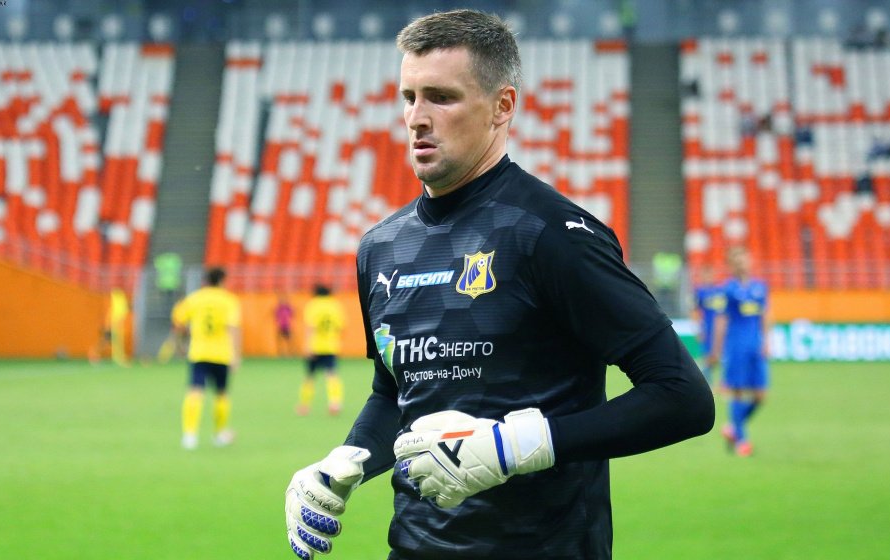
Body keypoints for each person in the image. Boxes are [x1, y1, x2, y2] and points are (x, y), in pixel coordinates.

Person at [284, 10, 714, 560]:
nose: (417, 118)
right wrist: (345, 461)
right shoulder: (381, 247)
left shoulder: (551, 234)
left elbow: (682, 398)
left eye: (441, 97)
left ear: (502, 107)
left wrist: (516, 448)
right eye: (409, 97)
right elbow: (394, 393)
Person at [709, 246, 770, 458]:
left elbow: (765, 314)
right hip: (736, 346)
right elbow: (721, 320)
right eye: (737, 261)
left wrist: (767, 341)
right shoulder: (727, 290)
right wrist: (716, 350)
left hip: (755, 346)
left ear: (750, 261)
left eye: (744, 259)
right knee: (736, 391)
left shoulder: (760, 287)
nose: (742, 264)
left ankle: (734, 427)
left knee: (761, 396)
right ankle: (742, 441)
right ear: (731, 265)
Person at [173, 267, 241, 450]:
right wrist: (236, 355)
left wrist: (181, 342)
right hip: (222, 354)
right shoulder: (228, 300)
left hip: (199, 352)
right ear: (222, 281)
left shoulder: (194, 298)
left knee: (195, 392)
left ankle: (189, 436)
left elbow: (178, 321)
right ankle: (219, 435)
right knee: (221, 394)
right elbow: (233, 328)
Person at [296, 284, 346, 416]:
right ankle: (335, 403)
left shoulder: (313, 305)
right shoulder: (335, 305)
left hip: (315, 346)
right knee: (332, 375)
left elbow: (310, 327)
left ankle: (304, 406)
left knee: (310, 377)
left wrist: (307, 346)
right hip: (331, 346)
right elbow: (340, 327)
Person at [692, 264, 726, 384]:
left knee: (718, 354)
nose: (708, 277)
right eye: (705, 275)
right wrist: (697, 329)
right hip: (706, 327)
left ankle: (720, 379)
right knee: (707, 354)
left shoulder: (719, 291)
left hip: (719, 327)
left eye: (709, 275)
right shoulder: (699, 291)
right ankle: (707, 380)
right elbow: (695, 311)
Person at [274, 293, 296, 357]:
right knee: (280, 340)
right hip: (280, 326)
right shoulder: (278, 308)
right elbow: (276, 316)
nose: (282, 301)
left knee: (289, 339)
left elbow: (292, 314)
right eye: (281, 300)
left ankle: (290, 352)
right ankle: (280, 352)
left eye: (283, 300)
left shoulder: (288, 308)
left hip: (287, 326)